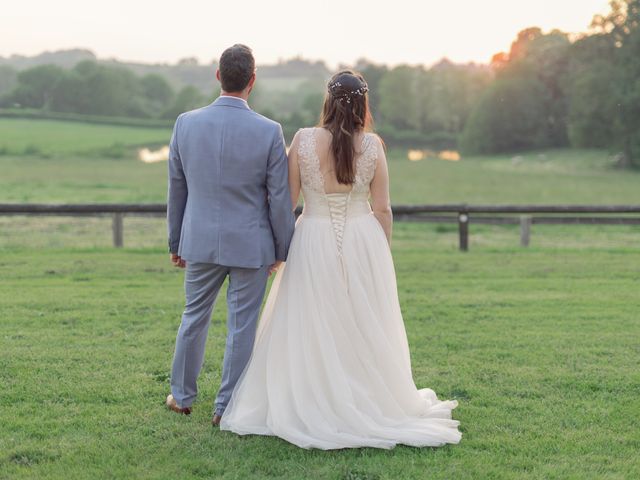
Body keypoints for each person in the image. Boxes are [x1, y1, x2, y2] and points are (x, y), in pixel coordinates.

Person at [220, 70, 462, 449]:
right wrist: (381, 253)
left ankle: (316, 396)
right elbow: (382, 209)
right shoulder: (374, 146)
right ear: (363, 103)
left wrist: (279, 252)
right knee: (361, 318)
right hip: (362, 238)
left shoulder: (302, 140)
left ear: (327, 101)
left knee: (312, 317)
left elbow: (285, 203)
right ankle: (363, 395)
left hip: (312, 235)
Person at [164, 44, 295, 426]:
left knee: (193, 317)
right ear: (252, 81)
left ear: (218, 75)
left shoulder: (185, 123)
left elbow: (177, 188)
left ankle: (183, 397)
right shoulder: (270, 131)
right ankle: (226, 408)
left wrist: (176, 242)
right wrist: (281, 248)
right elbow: (279, 198)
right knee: (242, 327)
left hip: (200, 239)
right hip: (251, 244)